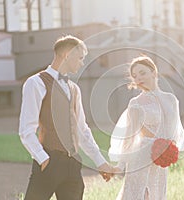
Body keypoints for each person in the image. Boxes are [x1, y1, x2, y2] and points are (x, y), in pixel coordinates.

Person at [19, 35, 113, 200]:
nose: (82, 63)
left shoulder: (74, 88)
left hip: (73, 164)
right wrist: (42, 158)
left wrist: (100, 161)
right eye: (80, 58)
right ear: (67, 55)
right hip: (48, 162)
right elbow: (26, 129)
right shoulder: (36, 83)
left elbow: (82, 130)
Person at [108, 55, 184, 200]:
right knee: (141, 195)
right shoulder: (136, 103)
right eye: (134, 76)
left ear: (154, 72)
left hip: (162, 161)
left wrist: (169, 150)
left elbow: (175, 132)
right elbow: (129, 136)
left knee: (157, 195)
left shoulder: (171, 99)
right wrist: (120, 166)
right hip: (142, 157)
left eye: (142, 73)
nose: (138, 78)